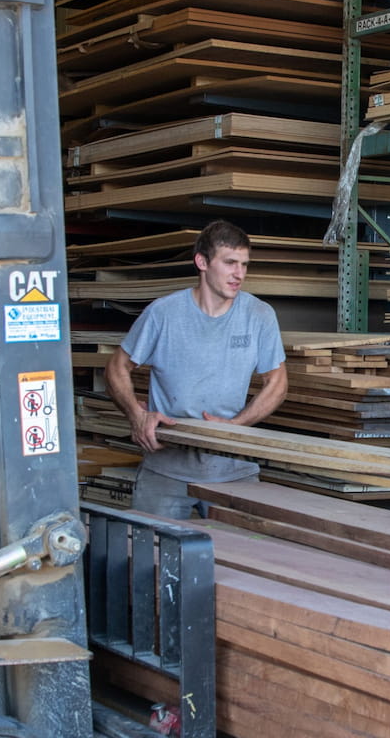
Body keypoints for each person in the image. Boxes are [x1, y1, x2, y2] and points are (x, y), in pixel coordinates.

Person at [105, 220, 287, 519]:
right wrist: (137, 416)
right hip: (165, 468)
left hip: (233, 470)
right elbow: (116, 367)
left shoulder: (259, 315)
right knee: (149, 555)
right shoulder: (164, 313)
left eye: (244, 264)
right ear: (202, 262)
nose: (239, 274)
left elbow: (277, 381)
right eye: (229, 263)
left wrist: (237, 426)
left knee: (246, 557)